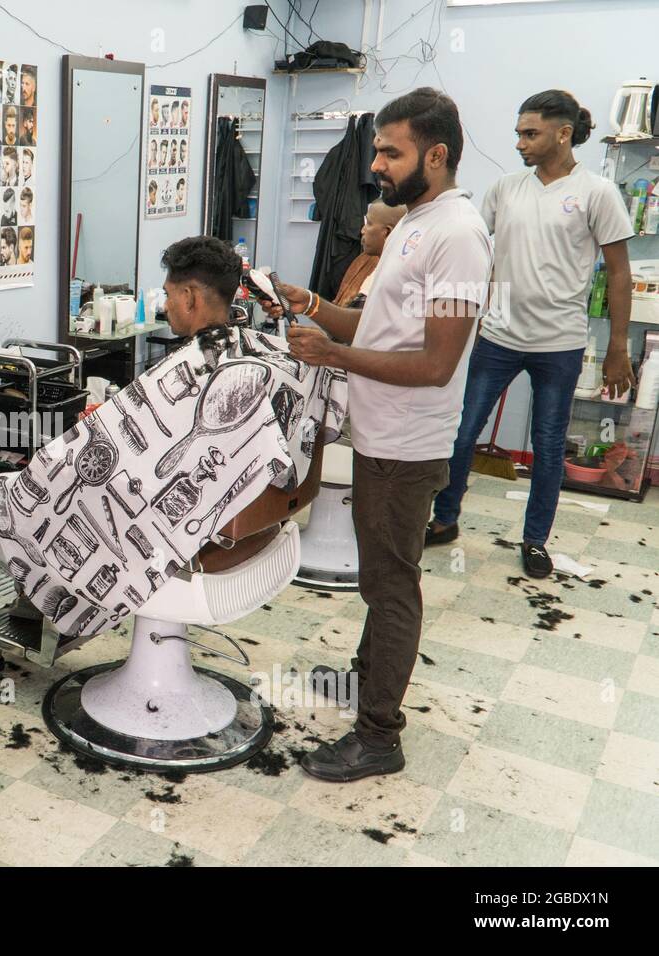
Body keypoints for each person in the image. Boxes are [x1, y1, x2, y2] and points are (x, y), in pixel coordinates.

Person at [262, 88, 493, 783]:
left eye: (391, 152)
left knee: (391, 585)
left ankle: (379, 736)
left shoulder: (456, 236)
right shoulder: (417, 224)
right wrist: (314, 307)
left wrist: (331, 356)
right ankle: (367, 680)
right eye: (377, 150)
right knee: (379, 574)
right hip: (380, 433)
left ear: (437, 153)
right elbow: (382, 330)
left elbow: (435, 362)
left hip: (409, 443)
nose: (378, 164)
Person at [428, 90, 635, 578]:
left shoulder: (597, 192)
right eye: (519, 132)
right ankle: (445, 518)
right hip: (497, 336)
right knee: (460, 435)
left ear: (563, 134)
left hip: (559, 343)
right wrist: (460, 316)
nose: (520, 142)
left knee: (547, 446)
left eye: (530, 133)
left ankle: (535, 539)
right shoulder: (505, 188)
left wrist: (617, 348)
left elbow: (620, 274)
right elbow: (477, 251)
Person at [332, 199, 407, 308]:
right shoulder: (365, 261)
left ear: (387, 232)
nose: (362, 230)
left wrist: (311, 304)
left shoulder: (392, 279)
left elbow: (355, 322)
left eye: (369, 223)